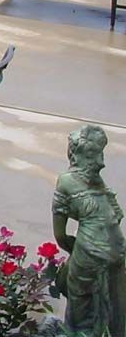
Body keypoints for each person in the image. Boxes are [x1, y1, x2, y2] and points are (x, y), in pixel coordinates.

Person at [52, 124, 126, 337]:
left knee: (82, 305)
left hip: (93, 252)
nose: (101, 162)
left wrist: (73, 246)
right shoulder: (92, 182)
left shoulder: (69, 181)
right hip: (114, 250)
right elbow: (115, 215)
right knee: (113, 304)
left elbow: (60, 233)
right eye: (96, 155)